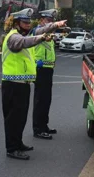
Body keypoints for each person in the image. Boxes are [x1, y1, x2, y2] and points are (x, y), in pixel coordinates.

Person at [1, 8, 66, 160]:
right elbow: (25, 42)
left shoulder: (24, 34)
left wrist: (54, 27)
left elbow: (34, 35)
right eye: (24, 22)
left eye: (29, 22)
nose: (28, 25)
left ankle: (18, 143)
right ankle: (11, 148)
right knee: (13, 119)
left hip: (23, 84)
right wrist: (42, 38)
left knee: (21, 117)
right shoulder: (13, 38)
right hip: (12, 84)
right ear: (16, 24)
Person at [31, 9, 63, 140]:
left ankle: (44, 125)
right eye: (48, 21)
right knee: (40, 100)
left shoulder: (49, 33)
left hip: (48, 69)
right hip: (40, 68)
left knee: (46, 99)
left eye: (51, 21)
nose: (50, 23)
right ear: (41, 20)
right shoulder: (37, 31)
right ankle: (38, 129)